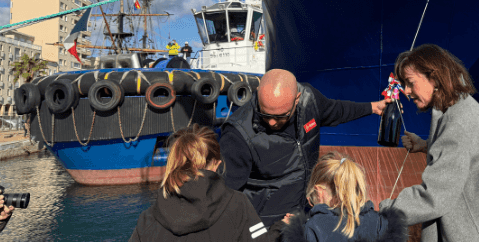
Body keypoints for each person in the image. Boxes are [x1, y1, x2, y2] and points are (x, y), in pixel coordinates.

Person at [379, 44, 479, 242]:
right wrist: (426, 145)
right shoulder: (463, 106)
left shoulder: (457, 121)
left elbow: (434, 195)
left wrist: (384, 210)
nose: (406, 91)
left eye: (410, 82)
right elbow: (463, 155)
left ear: (434, 77)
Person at [221, 69, 393, 227]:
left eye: (280, 116)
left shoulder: (310, 100)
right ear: (258, 94)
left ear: (297, 99)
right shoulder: (238, 133)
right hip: (265, 225)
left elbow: (336, 110)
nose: (272, 122)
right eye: (265, 114)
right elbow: (225, 194)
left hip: (304, 215)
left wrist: (372, 107)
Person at [130, 124, 278, 242]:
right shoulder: (238, 205)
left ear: (174, 163)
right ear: (216, 164)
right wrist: (280, 228)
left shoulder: (149, 218)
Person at [281, 152, 407, 242]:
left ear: (319, 192)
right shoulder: (381, 224)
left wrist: (291, 230)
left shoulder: (311, 228)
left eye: (312, 198)